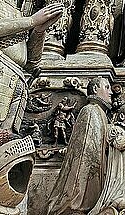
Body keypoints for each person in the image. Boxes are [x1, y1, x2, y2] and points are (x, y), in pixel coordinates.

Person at [0, 0, 62, 132]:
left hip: (16, 80)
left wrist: (39, 31)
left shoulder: (17, 12)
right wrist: (32, 21)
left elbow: (31, 62)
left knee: (7, 138)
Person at [46, 77, 113, 215]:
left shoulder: (100, 112)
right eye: (107, 87)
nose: (111, 92)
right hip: (85, 170)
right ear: (95, 89)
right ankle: (73, 205)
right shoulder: (90, 110)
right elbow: (83, 150)